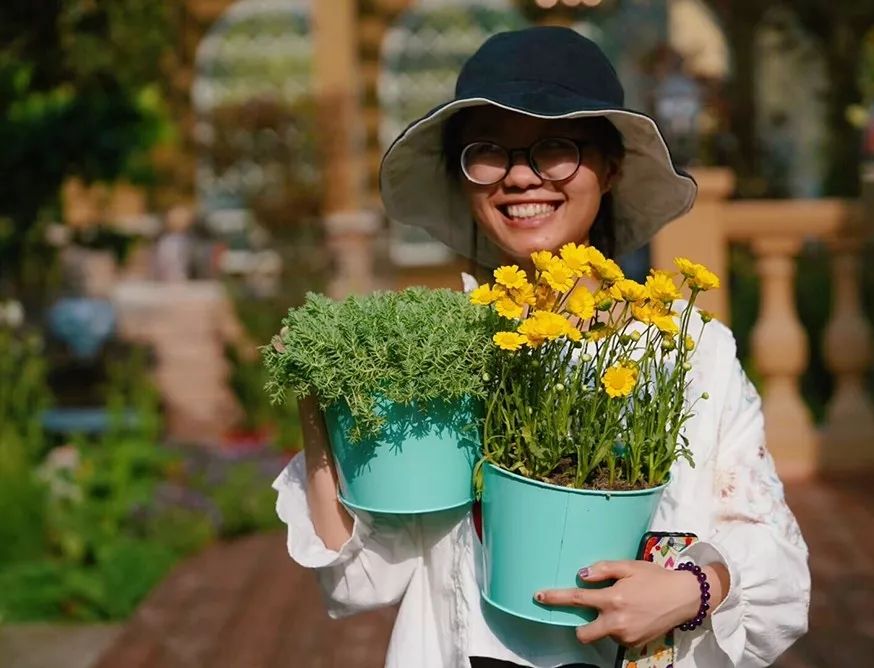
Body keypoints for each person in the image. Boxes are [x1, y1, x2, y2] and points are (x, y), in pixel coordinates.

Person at [272, 27, 809, 668]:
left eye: (557, 148)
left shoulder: (691, 351)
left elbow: (773, 557)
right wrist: (317, 396)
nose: (521, 178)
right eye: (488, 152)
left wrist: (691, 587)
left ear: (610, 168)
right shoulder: (437, 350)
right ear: (463, 180)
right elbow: (358, 581)